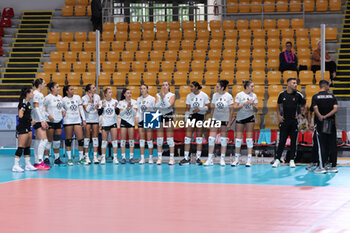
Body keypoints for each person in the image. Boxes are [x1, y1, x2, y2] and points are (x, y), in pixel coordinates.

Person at [272, 78, 306, 168]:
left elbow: (305, 105)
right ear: (288, 84)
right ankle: (277, 159)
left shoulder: (299, 95)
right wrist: (279, 115)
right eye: (294, 83)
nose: (295, 84)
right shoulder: (282, 94)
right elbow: (278, 106)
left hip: (294, 122)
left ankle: (292, 160)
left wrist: (301, 114)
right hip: (284, 121)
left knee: (293, 142)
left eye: (296, 83)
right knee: (282, 141)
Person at [309, 80, 338, 174]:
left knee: (322, 145)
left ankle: (322, 166)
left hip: (321, 124)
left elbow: (315, 109)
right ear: (325, 86)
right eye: (328, 85)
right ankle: (333, 166)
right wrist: (327, 116)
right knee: (332, 144)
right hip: (331, 123)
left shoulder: (315, 96)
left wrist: (321, 116)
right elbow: (335, 109)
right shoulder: (332, 96)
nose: (329, 87)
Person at [204, 80, 234, 166]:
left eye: (217, 86)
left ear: (222, 87)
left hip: (224, 119)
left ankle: (222, 159)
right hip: (215, 119)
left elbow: (231, 111)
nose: (216, 88)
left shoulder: (228, 96)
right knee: (211, 138)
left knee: (223, 139)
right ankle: (210, 158)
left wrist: (229, 122)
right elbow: (213, 109)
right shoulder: (214, 95)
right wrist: (210, 120)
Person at [179, 81, 210, 166]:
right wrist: (185, 120)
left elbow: (207, 107)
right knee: (187, 137)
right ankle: (186, 158)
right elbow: (187, 108)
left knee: (199, 138)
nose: (190, 88)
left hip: (200, 116)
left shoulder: (204, 95)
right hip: (191, 117)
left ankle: (198, 158)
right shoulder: (189, 96)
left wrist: (200, 109)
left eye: (192, 86)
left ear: (196, 87)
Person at [232, 80, 258, 167]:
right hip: (240, 118)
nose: (253, 88)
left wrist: (253, 104)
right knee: (238, 139)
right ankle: (236, 159)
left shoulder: (254, 96)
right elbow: (235, 108)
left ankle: (249, 160)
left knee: (249, 138)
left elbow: (256, 110)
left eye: (253, 86)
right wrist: (244, 104)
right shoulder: (239, 95)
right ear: (247, 87)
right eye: (252, 86)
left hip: (250, 117)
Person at [12, 88, 38, 172]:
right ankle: (16, 165)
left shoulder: (28, 103)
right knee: (21, 147)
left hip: (28, 127)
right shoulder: (23, 103)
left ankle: (28, 164)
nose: (33, 94)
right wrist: (30, 120)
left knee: (27, 146)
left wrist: (30, 121)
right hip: (23, 127)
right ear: (27, 94)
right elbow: (20, 115)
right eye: (32, 93)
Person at [62, 85, 87, 166]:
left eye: (73, 89)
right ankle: (69, 159)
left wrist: (84, 119)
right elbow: (61, 110)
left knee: (80, 139)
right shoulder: (63, 100)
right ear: (67, 91)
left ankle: (81, 158)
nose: (73, 90)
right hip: (68, 121)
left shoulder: (77, 97)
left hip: (77, 120)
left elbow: (81, 109)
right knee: (68, 140)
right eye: (71, 89)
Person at [44, 82, 65, 166]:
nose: (59, 88)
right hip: (50, 122)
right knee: (49, 140)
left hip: (58, 120)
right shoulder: (47, 98)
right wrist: (48, 115)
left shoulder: (60, 97)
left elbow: (60, 106)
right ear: (52, 88)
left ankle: (57, 158)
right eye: (57, 87)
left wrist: (64, 110)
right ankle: (46, 158)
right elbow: (42, 108)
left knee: (57, 141)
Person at [155, 81, 176, 165]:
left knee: (170, 138)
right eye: (163, 85)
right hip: (159, 115)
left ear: (169, 86)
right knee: (159, 139)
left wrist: (163, 98)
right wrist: (161, 98)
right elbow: (156, 106)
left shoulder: (172, 95)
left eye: (166, 85)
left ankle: (172, 158)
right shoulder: (157, 95)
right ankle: (159, 158)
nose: (164, 86)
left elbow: (169, 106)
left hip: (168, 115)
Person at [31, 78, 51, 170]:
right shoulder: (36, 94)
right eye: (44, 83)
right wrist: (42, 120)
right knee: (44, 140)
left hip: (40, 119)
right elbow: (36, 108)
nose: (45, 84)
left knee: (39, 141)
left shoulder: (40, 94)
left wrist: (46, 117)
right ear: (39, 85)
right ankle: (39, 161)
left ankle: (37, 162)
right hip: (38, 120)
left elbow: (42, 109)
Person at [98, 87, 119, 164]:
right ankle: (103, 158)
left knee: (114, 141)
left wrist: (116, 107)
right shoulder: (102, 102)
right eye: (109, 92)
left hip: (113, 122)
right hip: (105, 123)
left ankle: (115, 158)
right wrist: (103, 106)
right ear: (105, 94)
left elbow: (117, 112)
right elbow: (99, 113)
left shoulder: (115, 101)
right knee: (104, 141)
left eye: (111, 92)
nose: (111, 94)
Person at [137, 85, 156, 164]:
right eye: (141, 89)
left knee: (149, 140)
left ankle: (150, 158)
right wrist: (137, 118)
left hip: (149, 119)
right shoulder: (138, 99)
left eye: (144, 88)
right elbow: (138, 110)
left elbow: (155, 110)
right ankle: (142, 158)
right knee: (141, 140)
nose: (142, 90)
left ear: (147, 89)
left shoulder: (152, 99)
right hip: (141, 119)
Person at [117, 88, 137, 164]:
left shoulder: (134, 102)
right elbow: (121, 114)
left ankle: (131, 157)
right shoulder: (121, 102)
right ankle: (123, 157)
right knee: (123, 140)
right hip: (124, 122)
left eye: (130, 93)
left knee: (131, 140)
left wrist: (131, 107)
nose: (129, 94)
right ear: (124, 94)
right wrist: (127, 107)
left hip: (131, 122)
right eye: (128, 93)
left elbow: (135, 113)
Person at [82, 84, 100, 164]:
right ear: (89, 90)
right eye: (93, 88)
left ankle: (95, 157)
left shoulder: (97, 96)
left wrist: (98, 107)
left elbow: (99, 109)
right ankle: (86, 156)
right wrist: (91, 100)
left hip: (95, 119)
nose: (95, 89)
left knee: (95, 137)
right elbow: (87, 110)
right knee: (87, 138)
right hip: (88, 119)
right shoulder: (84, 98)